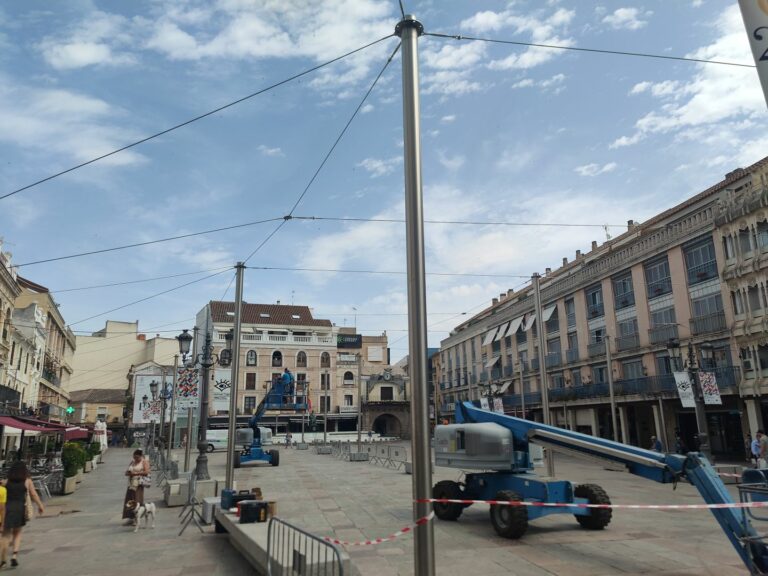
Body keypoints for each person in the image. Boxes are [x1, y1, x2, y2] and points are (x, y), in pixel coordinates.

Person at [1, 462, 44, 568]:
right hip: (20, 509)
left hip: (7, 509)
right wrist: (40, 505)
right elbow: (33, 494)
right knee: (17, 533)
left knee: (6, 535)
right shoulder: (27, 481)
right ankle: (14, 555)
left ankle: (3, 559)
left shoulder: (6, 482)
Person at [122, 449, 150, 524]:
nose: (135, 459)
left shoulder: (144, 462)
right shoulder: (133, 462)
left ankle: (137, 518)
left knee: (137, 499)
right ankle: (130, 517)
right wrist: (128, 473)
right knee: (129, 499)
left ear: (141, 456)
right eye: (134, 457)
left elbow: (147, 472)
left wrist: (136, 473)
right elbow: (127, 471)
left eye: (137, 457)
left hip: (138, 484)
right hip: (131, 483)